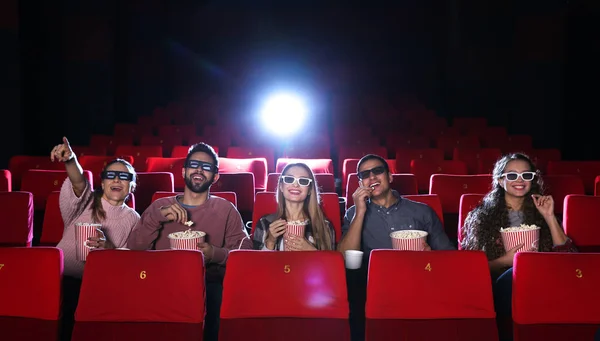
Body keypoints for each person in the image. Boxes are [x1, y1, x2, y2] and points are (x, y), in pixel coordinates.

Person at [127, 142, 252, 341]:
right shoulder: (160, 206)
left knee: (217, 294)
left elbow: (245, 252)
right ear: (184, 171)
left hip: (208, 285)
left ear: (215, 177)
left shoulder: (226, 209)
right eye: (194, 164)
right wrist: (157, 218)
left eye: (207, 167)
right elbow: (133, 248)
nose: (199, 170)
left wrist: (214, 254)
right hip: (163, 283)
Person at [461, 152, 578, 341]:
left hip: (542, 282)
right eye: (512, 175)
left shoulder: (541, 211)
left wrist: (549, 217)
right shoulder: (482, 217)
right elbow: (470, 269)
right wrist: (505, 261)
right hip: (501, 287)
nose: (520, 180)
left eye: (526, 175)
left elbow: (569, 257)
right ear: (500, 180)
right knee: (516, 274)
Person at [51, 137, 140, 341]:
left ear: (132, 187)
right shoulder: (87, 202)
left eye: (124, 177)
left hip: (96, 287)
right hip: (58, 279)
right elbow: (78, 181)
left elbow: (131, 262)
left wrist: (109, 248)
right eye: (111, 175)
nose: (116, 180)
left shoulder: (134, 219)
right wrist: (70, 159)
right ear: (103, 181)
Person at [338, 154, 455, 256]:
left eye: (378, 170)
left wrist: (430, 257)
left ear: (389, 177)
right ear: (360, 184)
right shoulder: (353, 214)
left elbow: (448, 255)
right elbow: (344, 257)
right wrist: (360, 212)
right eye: (365, 174)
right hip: (374, 279)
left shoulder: (423, 211)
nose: (372, 177)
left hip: (416, 276)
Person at [253, 162, 335, 251]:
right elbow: (255, 264)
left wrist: (311, 250)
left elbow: (331, 263)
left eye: (303, 181)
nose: (295, 185)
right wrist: (270, 242)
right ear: (281, 186)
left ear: (309, 190)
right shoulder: (265, 223)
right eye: (289, 179)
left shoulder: (324, 226)